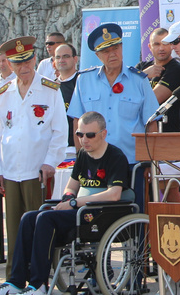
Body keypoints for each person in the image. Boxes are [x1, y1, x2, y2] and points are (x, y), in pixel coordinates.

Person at [0, 111, 130, 295]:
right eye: (80, 135)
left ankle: (39, 286)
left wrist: (75, 203)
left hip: (100, 215)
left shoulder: (115, 156)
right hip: (79, 212)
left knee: (46, 220)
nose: (84, 140)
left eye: (90, 135)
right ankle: (16, 282)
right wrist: (69, 198)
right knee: (29, 217)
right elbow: (72, 186)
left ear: (103, 134)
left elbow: (114, 194)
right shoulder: (82, 155)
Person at [0, 36, 69, 273]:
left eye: (27, 61)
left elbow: (59, 131)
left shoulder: (50, 89)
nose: (23, 68)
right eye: (17, 63)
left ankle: (39, 275)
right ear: (10, 65)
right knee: (14, 228)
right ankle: (14, 276)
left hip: (38, 171)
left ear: (34, 59)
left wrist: (50, 163)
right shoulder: (3, 93)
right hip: (12, 170)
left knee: (39, 225)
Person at [68, 23, 158, 187]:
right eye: (106, 51)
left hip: (131, 161)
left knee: (134, 209)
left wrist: (149, 161)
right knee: (94, 211)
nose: (112, 54)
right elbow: (77, 122)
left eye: (116, 48)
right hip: (94, 161)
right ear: (97, 55)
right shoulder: (84, 80)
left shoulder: (139, 80)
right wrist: (80, 157)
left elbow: (151, 122)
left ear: (122, 47)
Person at [143, 28, 180, 133]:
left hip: (167, 133)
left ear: (171, 45)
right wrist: (143, 74)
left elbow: (153, 100)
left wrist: (140, 76)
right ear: (150, 47)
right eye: (157, 44)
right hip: (142, 131)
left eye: (165, 44)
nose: (161, 48)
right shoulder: (142, 67)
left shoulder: (176, 69)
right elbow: (124, 92)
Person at [53, 43, 80, 148]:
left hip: (78, 146)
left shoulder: (83, 82)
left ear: (75, 59)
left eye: (66, 56)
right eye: (58, 57)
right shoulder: (51, 87)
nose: (61, 60)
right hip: (57, 146)